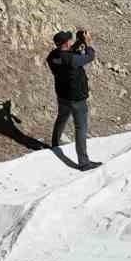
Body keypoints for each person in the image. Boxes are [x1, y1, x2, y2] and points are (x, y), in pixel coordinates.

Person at [47, 29, 99, 170]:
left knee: (62, 118)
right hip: (77, 99)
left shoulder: (52, 56)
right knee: (80, 128)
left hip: (62, 96)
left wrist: (79, 42)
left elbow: (67, 55)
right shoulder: (72, 60)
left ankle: (55, 143)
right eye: (69, 41)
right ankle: (83, 162)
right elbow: (90, 56)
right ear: (67, 43)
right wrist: (88, 43)